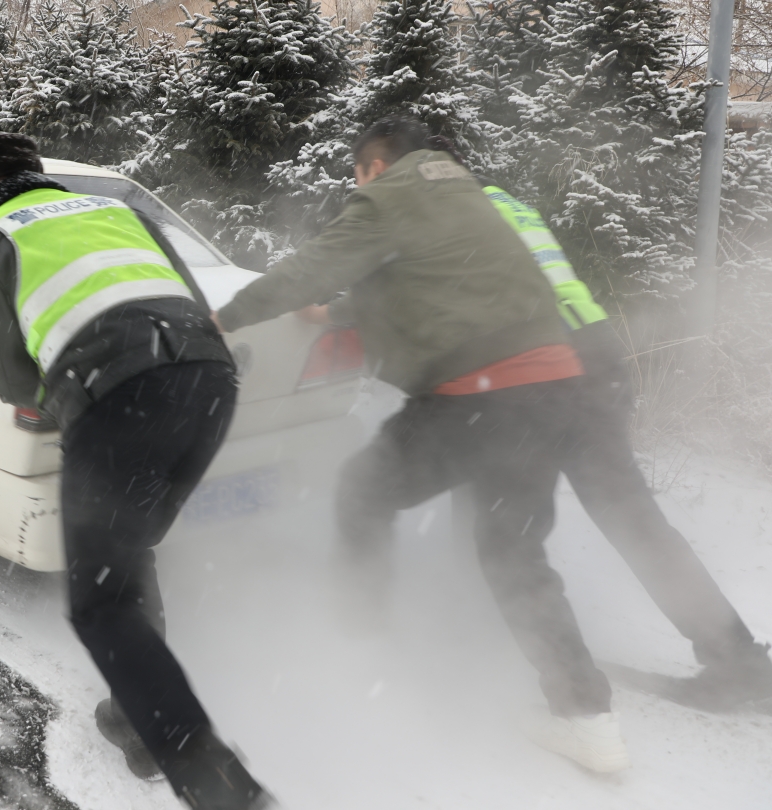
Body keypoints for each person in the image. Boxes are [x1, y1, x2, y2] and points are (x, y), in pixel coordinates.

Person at [212, 115, 630, 773]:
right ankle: (588, 719)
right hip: (555, 387)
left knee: (361, 491)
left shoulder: (390, 191)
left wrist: (220, 318)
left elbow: (311, 267)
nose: (357, 184)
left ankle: (359, 644)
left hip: (477, 394)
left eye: (357, 174)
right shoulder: (465, 195)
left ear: (373, 165)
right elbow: (434, 285)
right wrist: (339, 313)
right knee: (515, 553)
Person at [0, 132, 273, 809]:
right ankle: (138, 724)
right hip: (210, 384)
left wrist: (62, 395)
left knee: (101, 600)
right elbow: (185, 298)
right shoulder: (121, 214)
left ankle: (223, 792)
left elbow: (0, 369)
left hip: (117, 397)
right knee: (127, 550)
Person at [473, 181, 772, 711]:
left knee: (507, 535)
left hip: (537, 374)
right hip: (596, 357)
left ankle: (574, 701)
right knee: (634, 519)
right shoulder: (507, 202)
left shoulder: (440, 211)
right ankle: (739, 663)